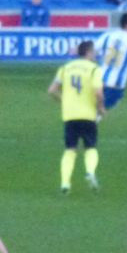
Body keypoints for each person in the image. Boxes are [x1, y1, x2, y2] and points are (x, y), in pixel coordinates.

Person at [49, 40, 106, 194]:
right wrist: (101, 108)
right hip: (87, 114)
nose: (95, 54)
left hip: (70, 115)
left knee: (70, 149)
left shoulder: (65, 68)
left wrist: (65, 101)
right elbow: (98, 92)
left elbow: (52, 90)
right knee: (90, 147)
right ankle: (90, 172)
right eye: (93, 51)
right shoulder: (94, 69)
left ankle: (65, 183)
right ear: (87, 52)